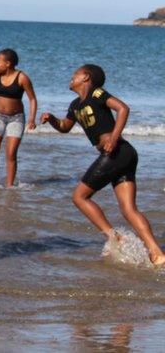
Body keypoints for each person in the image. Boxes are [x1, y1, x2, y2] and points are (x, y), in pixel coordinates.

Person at [40, 64, 165, 266]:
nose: (71, 77)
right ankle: (157, 253)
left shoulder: (97, 94)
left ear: (86, 77)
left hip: (117, 151)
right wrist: (52, 119)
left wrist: (114, 138)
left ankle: (114, 236)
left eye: (75, 74)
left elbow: (123, 108)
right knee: (128, 209)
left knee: (79, 196)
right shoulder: (74, 105)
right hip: (123, 154)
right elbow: (64, 127)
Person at [0, 48, 37, 187]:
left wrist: (32, 119)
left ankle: (9, 186)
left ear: (8, 63)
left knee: (11, 153)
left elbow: (32, 99)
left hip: (16, 119)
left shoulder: (22, 78)